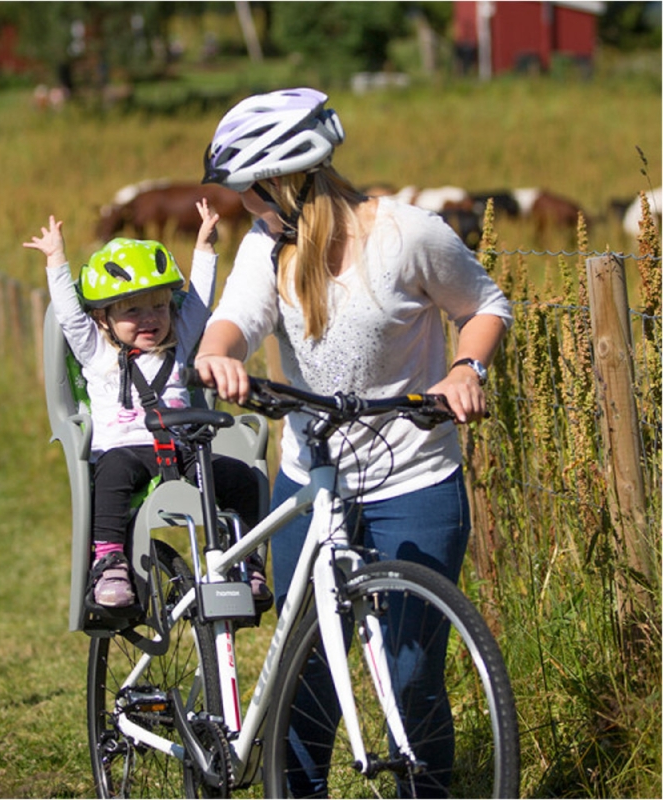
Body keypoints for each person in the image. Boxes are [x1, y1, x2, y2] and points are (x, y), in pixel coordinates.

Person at [195, 88, 513, 796]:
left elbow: (485, 304)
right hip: (310, 483)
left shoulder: (408, 235)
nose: (246, 205)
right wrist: (219, 354)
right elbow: (236, 321)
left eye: (251, 191)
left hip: (416, 485)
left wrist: (466, 368)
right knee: (305, 687)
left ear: (287, 182)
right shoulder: (265, 247)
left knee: (410, 677)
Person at [24, 203, 272, 612]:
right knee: (112, 477)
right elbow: (69, 316)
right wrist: (56, 259)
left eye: (158, 306)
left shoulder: (176, 346)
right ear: (103, 318)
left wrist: (205, 247)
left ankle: (244, 558)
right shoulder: (98, 352)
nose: (149, 319)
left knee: (240, 478)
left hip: (182, 450)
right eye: (131, 311)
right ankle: (109, 561)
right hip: (125, 450)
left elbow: (198, 303)